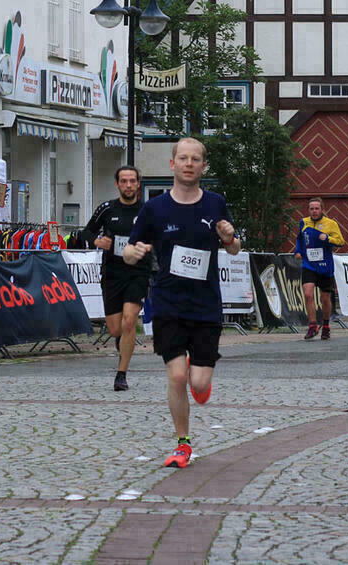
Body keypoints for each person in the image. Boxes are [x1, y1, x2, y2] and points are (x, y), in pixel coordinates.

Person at [123, 137, 239, 469]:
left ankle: (200, 382)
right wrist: (135, 252)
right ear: (172, 164)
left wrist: (229, 237)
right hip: (168, 304)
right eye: (183, 158)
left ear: (203, 166)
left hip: (205, 305)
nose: (189, 164)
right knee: (176, 377)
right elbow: (129, 251)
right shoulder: (155, 208)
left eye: (195, 159)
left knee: (198, 383)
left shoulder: (215, 203)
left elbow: (234, 248)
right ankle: (182, 444)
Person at [84, 166, 147, 392]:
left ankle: (121, 375)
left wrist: (149, 246)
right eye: (124, 181)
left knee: (130, 320)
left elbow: (160, 235)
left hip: (138, 273)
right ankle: (121, 339)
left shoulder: (147, 210)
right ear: (117, 184)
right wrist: (97, 241)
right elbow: (86, 232)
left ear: (138, 184)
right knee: (114, 329)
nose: (128, 185)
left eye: (132, 181)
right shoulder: (107, 209)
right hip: (112, 274)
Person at [295, 198, 343, 341]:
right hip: (309, 264)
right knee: (308, 294)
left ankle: (326, 325)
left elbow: (340, 241)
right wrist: (298, 251)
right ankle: (312, 325)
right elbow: (300, 238)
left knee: (325, 298)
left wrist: (327, 238)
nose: (314, 211)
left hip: (325, 266)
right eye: (312, 209)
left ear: (322, 209)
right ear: (308, 210)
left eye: (317, 208)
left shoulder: (331, 224)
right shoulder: (304, 222)